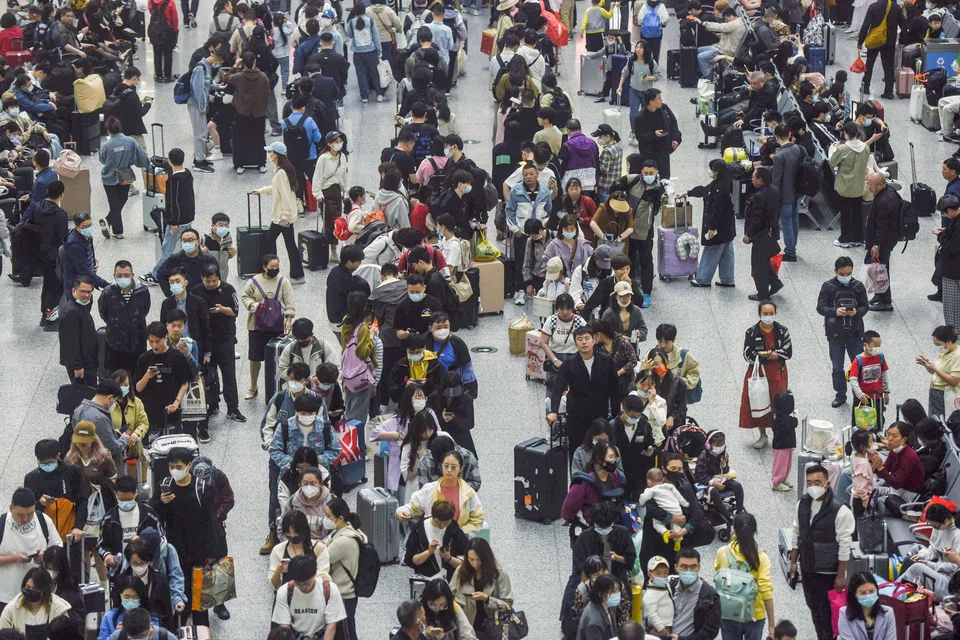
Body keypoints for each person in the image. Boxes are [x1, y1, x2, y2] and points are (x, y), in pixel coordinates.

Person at [789, 464, 855, 640]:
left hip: (829, 572)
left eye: (817, 482)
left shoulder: (840, 510)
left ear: (827, 483)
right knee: (814, 611)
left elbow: (845, 544)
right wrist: (794, 562)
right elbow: (797, 532)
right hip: (808, 569)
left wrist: (841, 575)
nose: (813, 487)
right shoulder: (802, 504)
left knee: (828, 616)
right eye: (809, 482)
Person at [153, 447, 216, 628]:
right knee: (175, 595)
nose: (175, 470)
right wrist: (160, 503)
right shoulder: (164, 485)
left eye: (178, 466)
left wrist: (211, 553)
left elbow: (210, 522)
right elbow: (152, 513)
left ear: (189, 466)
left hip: (197, 551)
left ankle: (201, 631)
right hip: (172, 551)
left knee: (199, 601)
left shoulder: (200, 488)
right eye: (171, 466)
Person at [548, 327, 621, 460]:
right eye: (580, 339)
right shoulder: (569, 364)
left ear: (594, 340)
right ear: (575, 344)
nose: (584, 342)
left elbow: (614, 389)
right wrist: (553, 411)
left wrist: (616, 416)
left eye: (587, 338)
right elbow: (558, 388)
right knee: (576, 450)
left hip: (599, 415)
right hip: (577, 416)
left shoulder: (606, 361)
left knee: (601, 451)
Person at [241, 254, 296, 399]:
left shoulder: (283, 282)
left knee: (278, 358)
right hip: (256, 325)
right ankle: (253, 386)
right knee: (255, 357)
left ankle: (278, 385)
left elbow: (289, 301)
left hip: (277, 325)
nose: (275, 269)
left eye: (277, 266)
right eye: (272, 267)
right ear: (264, 267)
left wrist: (289, 319)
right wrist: (252, 304)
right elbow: (245, 296)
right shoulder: (253, 281)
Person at [817, 256, 870, 408]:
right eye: (842, 274)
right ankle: (840, 394)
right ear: (835, 271)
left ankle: (860, 393)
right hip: (835, 335)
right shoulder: (828, 286)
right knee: (837, 367)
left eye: (848, 274)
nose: (846, 277)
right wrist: (835, 311)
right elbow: (821, 307)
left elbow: (865, 306)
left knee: (859, 365)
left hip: (855, 333)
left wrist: (856, 312)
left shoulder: (858, 286)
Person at [713, 513, 775, 640]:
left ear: (734, 529)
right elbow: (766, 590)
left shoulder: (722, 552)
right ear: (755, 531)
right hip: (754, 615)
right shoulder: (761, 557)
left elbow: (718, 571)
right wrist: (772, 625)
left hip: (728, 612)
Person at [0, 488, 63, 612]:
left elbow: (58, 549)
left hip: (39, 594)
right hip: (6, 595)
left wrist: (45, 557)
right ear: (11, 508)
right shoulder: (2, 524)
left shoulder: (43, 520)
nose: (25, 519)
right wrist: (14, 558)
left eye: (30, 514)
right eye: (20, 515)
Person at [739, 301, 791, 448]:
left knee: (779, 404)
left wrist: (768, 354)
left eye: (771, 314)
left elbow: (788, 353)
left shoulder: (782, 331)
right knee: (758, 403)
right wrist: (767, 355)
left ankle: (778, 434)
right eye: (765, 314)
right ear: (759, 314)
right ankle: (762, 435)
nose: (768, 317)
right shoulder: (751, 332)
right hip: (758, 373)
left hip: (777, 373)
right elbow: (747, 354)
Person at [22, 438, 87, 557]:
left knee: (74, 572)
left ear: (58, 455)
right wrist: (40, 504)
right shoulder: (31, 478)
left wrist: (78, 526)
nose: (47, 465)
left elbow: (82, 500)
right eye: (42, 463)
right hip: (43, 538)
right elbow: (26, 509)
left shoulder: (73, 472)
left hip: (70, 536)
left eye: (50, 462)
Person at [15, 179, 67, 326]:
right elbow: (62, 238)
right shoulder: (60, 214)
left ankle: (45, 313)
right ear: (61, 195)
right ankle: (49, 315)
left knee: (47, 286)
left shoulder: (37, 207)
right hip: (54, 255)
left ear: (46, 192)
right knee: (54, 286)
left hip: (37, 252)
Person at [397, 449, 484, 534]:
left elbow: (477, 520)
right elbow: (413, 506)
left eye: (453, 467)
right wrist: (402, 512)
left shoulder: (468, 493)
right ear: (441, 466)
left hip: (458, 543)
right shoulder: (430, 489)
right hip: (431, 539)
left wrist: (459, 534)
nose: (449, 470)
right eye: (446, 466)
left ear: (460, 468)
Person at [253, 142, 305, 284]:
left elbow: (285, 194)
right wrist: (262, 190)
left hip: (282, 216)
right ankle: (296, 274)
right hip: (284, 215)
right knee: (286, 242)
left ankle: (272, 269)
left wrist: (284, 215)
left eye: (271, 152)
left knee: (272, 240)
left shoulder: (282, 172)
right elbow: (278, 188)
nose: (269, 154)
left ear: (276, 154)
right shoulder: (283, 169)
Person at [681, 159, 736, 287]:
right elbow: (705, 190)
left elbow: (716, 210)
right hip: (727, 227)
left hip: (718, 227)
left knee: (711, 250)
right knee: (726, 252)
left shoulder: (719, 188)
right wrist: (688, 193)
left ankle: (703, 279)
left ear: (716, 171)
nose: (710, 171)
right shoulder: (723, 182)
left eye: (711, 169)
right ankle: (727, 279)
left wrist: (712, 228)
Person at [134, 321, 193, 439]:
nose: (154, 345)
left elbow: (185, 383)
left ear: (165, 338)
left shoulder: (176, 357)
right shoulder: (144, 358)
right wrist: (147, 376)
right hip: (150, 412)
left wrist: (176, 403)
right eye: (151, 342)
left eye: (158, 341)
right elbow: (138, 388)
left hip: (171, 411)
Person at [505, 163, 552, 303]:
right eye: (526, 174)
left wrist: (543, 228)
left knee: (540, 261)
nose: (529, 177)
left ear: (537, 174)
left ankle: (540, 288)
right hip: (522, 234)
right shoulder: (516, 191)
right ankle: (520, 290)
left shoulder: (544, 191)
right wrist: (516, 230)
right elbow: (509, 211)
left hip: (538, 234)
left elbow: (549, 211)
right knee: (521, 262)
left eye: (531, 174)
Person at [322, 497, 367, 639]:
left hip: (343, 596)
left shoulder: (343, 541)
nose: (325, 519)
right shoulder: (345, 531)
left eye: (328, 516)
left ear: (340, 518)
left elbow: (322, 557)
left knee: (346, 635)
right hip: (345, 594)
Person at [448, 538, 513, 634]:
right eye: (471, 559)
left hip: (492, 626)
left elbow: (507, 604)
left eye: (479, 560)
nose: (475, 564)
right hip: (466, 625)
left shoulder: (499, 574)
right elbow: (449, 595)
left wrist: (487, 599)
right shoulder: (460, 571)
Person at [97, 116, 148, 239]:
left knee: (114, 204)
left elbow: (102, 160)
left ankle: (113, 226)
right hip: (125, 176)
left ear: (108, 130)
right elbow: (141, 156)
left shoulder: (106, 145)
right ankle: (114, 227)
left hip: (109, 178)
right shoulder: (130, 141)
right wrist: (145, 164)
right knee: (122, 199)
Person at [98, 261, 151, 376]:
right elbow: (104, 313)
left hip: (138, 344)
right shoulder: (107, 293)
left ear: (132, 275)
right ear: (114, 276)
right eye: (119, 275)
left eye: (126, 275)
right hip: (115, 346)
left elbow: (145, 310)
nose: (123, 278)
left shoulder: (142, 291)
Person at [272, 554, 345, 638]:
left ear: (314, 575)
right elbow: (285, 627)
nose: (303, 587)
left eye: (306, 584)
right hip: (295, 634)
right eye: (298, 584)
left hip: (321, 634)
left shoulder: (329, 589)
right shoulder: (285, 591)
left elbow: (331, 626)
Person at [830, 122, 873, 248]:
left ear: (846, 134)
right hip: (859, 185)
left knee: (845, 213)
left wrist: (836, 148)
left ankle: (845, 238)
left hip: (845, 185)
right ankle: (858, 238)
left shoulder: (843, 149)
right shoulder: (865, 148)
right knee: (857, 212)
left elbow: (833, 162)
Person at [743, 167, 783, 301]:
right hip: (772, 232)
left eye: (754, 177)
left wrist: (749, 234)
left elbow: (757, 219)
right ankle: (775, 282)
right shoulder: (775, 191)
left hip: (761, 235)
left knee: (758, 264)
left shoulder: (760, 196)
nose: (752, 179)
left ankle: (762, 293)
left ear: (760, 180)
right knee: (764, 261)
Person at [403, 499, 468, 580]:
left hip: (451, 579)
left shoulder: (454, 530)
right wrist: (429, 552)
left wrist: (449, 558)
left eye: (446, 522)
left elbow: (466, 563)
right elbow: (412, 560)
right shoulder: (419, 529)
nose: (442, 525)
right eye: (439, 522)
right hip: (426, 578)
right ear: (433, 516)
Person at [269, 510, 330, 590]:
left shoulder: (319, 548)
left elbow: (324, 579)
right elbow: (275, 585)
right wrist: (278, 571)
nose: (292, 536)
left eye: (295, 532)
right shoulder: (278, 550)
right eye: (288, 533)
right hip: (288, 597)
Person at [0, 568, 71, 635]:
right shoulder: (11, 609)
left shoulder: (59, 609)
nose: (30, 590)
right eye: (27, 587)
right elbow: (3, 635)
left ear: (45, 590)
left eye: (35, 588)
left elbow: (66, 636)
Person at [313, 131, 349, 263]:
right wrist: (317, 194)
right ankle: (332, 252)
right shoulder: (323, 158)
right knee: (330, 222)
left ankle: (330, 250)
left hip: (337, 192)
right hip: (326, 193)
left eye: (340, 141)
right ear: (329, 144)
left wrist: (346, 191)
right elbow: (317, 177)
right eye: (336, 141)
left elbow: (344, 175)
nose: (339, 144)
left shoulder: (342, 157)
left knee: (336, 221)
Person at [693, 430, 745, 521]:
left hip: (719, 478)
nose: (720, 447)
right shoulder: (703, 457)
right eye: (717, 445)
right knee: (714, 492)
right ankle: (727, 514)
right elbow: (700, 476)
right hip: (706, 482)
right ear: (709, 445)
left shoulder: (722, 454)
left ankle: (739, 511)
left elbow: (725, 471)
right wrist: (713, 483)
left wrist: (725, 463)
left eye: (722, 444)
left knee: (737, 485)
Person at [857, 0, 903, 99]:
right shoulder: (896, 8)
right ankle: (889, 91)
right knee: (889, 67)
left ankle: (865, 87)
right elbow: (904, 25)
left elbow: (866, 25)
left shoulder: (873, 7)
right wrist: (902, 41)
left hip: (875, 40)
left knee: (869, 64)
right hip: (889, 41)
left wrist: (860, 42)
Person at [58, 277, 99, 387]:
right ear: (73, 291)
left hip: (87, 360)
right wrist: (77, 367)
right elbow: (71, 343)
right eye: (82, 291)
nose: (86, 295)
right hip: (81, 365)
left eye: (89, 292)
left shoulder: (81, 306)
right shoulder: (72, 312)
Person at [632, 89, 681, 179]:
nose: (661, 100)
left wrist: (676, 138)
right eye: (659, 99)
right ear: (651, 102)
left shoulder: (664, 109)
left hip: (664, 150)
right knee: (650, 177)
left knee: (665, 176)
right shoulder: (640, 117)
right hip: (649, 152)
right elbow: (640, 137)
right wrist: (654, 134)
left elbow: (674, 123)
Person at [60, 213, 110, 300]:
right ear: (77, 227)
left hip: (86, 279)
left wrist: (93, 261)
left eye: (89, 225)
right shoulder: (74, 244)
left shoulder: (86, 236)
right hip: (77, 286)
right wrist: (106, 285)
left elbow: (88, 251)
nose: (88, 228)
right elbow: (84, 271)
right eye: (84, 226)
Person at [279, 467, 334, 541]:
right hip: (298, 546)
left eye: (313, 483)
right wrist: (291, 545)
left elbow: (338, 530)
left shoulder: (331, 501)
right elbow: (282, 527)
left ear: (320, 483)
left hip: (324, 547)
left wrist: (324, 545)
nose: (309, 487)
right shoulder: (292, 501)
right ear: (300, 484)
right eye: (305, 483)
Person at [838, 572, 897, 640]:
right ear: (854, 595)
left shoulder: (888, 612)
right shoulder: (844, 613)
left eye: (871, 591)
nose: (868, 595)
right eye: (863, 593)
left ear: (877, 590)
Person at [345, 1, 384, 103]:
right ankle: (379, 94)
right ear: (364, 10)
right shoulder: (370, 21)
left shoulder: (352, 22)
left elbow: (349, 35)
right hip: (371, 52)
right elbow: (376, 38)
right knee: (374, 73)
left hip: (358, 54)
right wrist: (379, 50)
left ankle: (364, 96)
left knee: (361, 74)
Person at [618, 41, 661, 131]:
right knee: (633, 114)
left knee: (646, 114)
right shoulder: (632, 61)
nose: (638, 50)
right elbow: (624, 73)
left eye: (641, 48)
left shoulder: (651, 62)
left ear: (645, 50)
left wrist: (649, 78)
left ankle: (645, 132)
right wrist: (620, 86)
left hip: (647, 93)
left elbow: (658, 75)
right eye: (637, 47)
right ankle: (634, 131)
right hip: (634, 90)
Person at [577, 574, 621, 640]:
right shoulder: (594, 622)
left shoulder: (609, 606)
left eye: (618, 590)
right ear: (601, 594)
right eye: (613, 591)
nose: (617, 594)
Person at [771, 390, 799, 492]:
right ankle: (776, 482)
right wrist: (795, 415)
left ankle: (783, 478)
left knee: (787, 462)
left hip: (786, 443)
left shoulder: (777, 414)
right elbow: (795, 423)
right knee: (780, 463)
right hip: (781, 444)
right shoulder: (784, 418)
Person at [148, 0, 179, 83]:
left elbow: (151, 12)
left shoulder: (151, 1)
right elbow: (174, 17)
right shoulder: (170, 2)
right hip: (168, 32)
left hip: (155, 31)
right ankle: (167, 76)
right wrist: (175, 30)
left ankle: (158, 76)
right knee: (168, 54)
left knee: (157, 54)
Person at [642, 555, 673, 636]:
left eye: (665, 573)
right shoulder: (650, 594)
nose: (662, 576)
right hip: (657, 628)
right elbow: (651, 613)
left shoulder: (664, 585)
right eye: (658, 573)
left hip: (667, 623)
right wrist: (660, 628)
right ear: (650, 575)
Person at [105, 607, 177, 640]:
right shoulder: (117, 637)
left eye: (142, 636)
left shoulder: (165, 637)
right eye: (132, 638)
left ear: (150, 626)